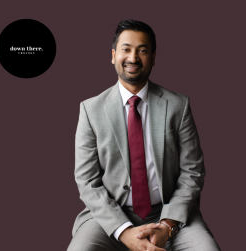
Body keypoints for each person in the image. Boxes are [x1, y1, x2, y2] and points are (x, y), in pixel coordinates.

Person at [67, 19, 220, 251]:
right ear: (113, 55)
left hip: (169, 211)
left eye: (142, 50)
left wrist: (167, 226)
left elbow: (193, 171)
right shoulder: (91, 110)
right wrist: (123, 230)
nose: (133, 58)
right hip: (109, 214)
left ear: (154, 57)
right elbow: (87, 181)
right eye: (126, 49)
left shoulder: (178, 105)